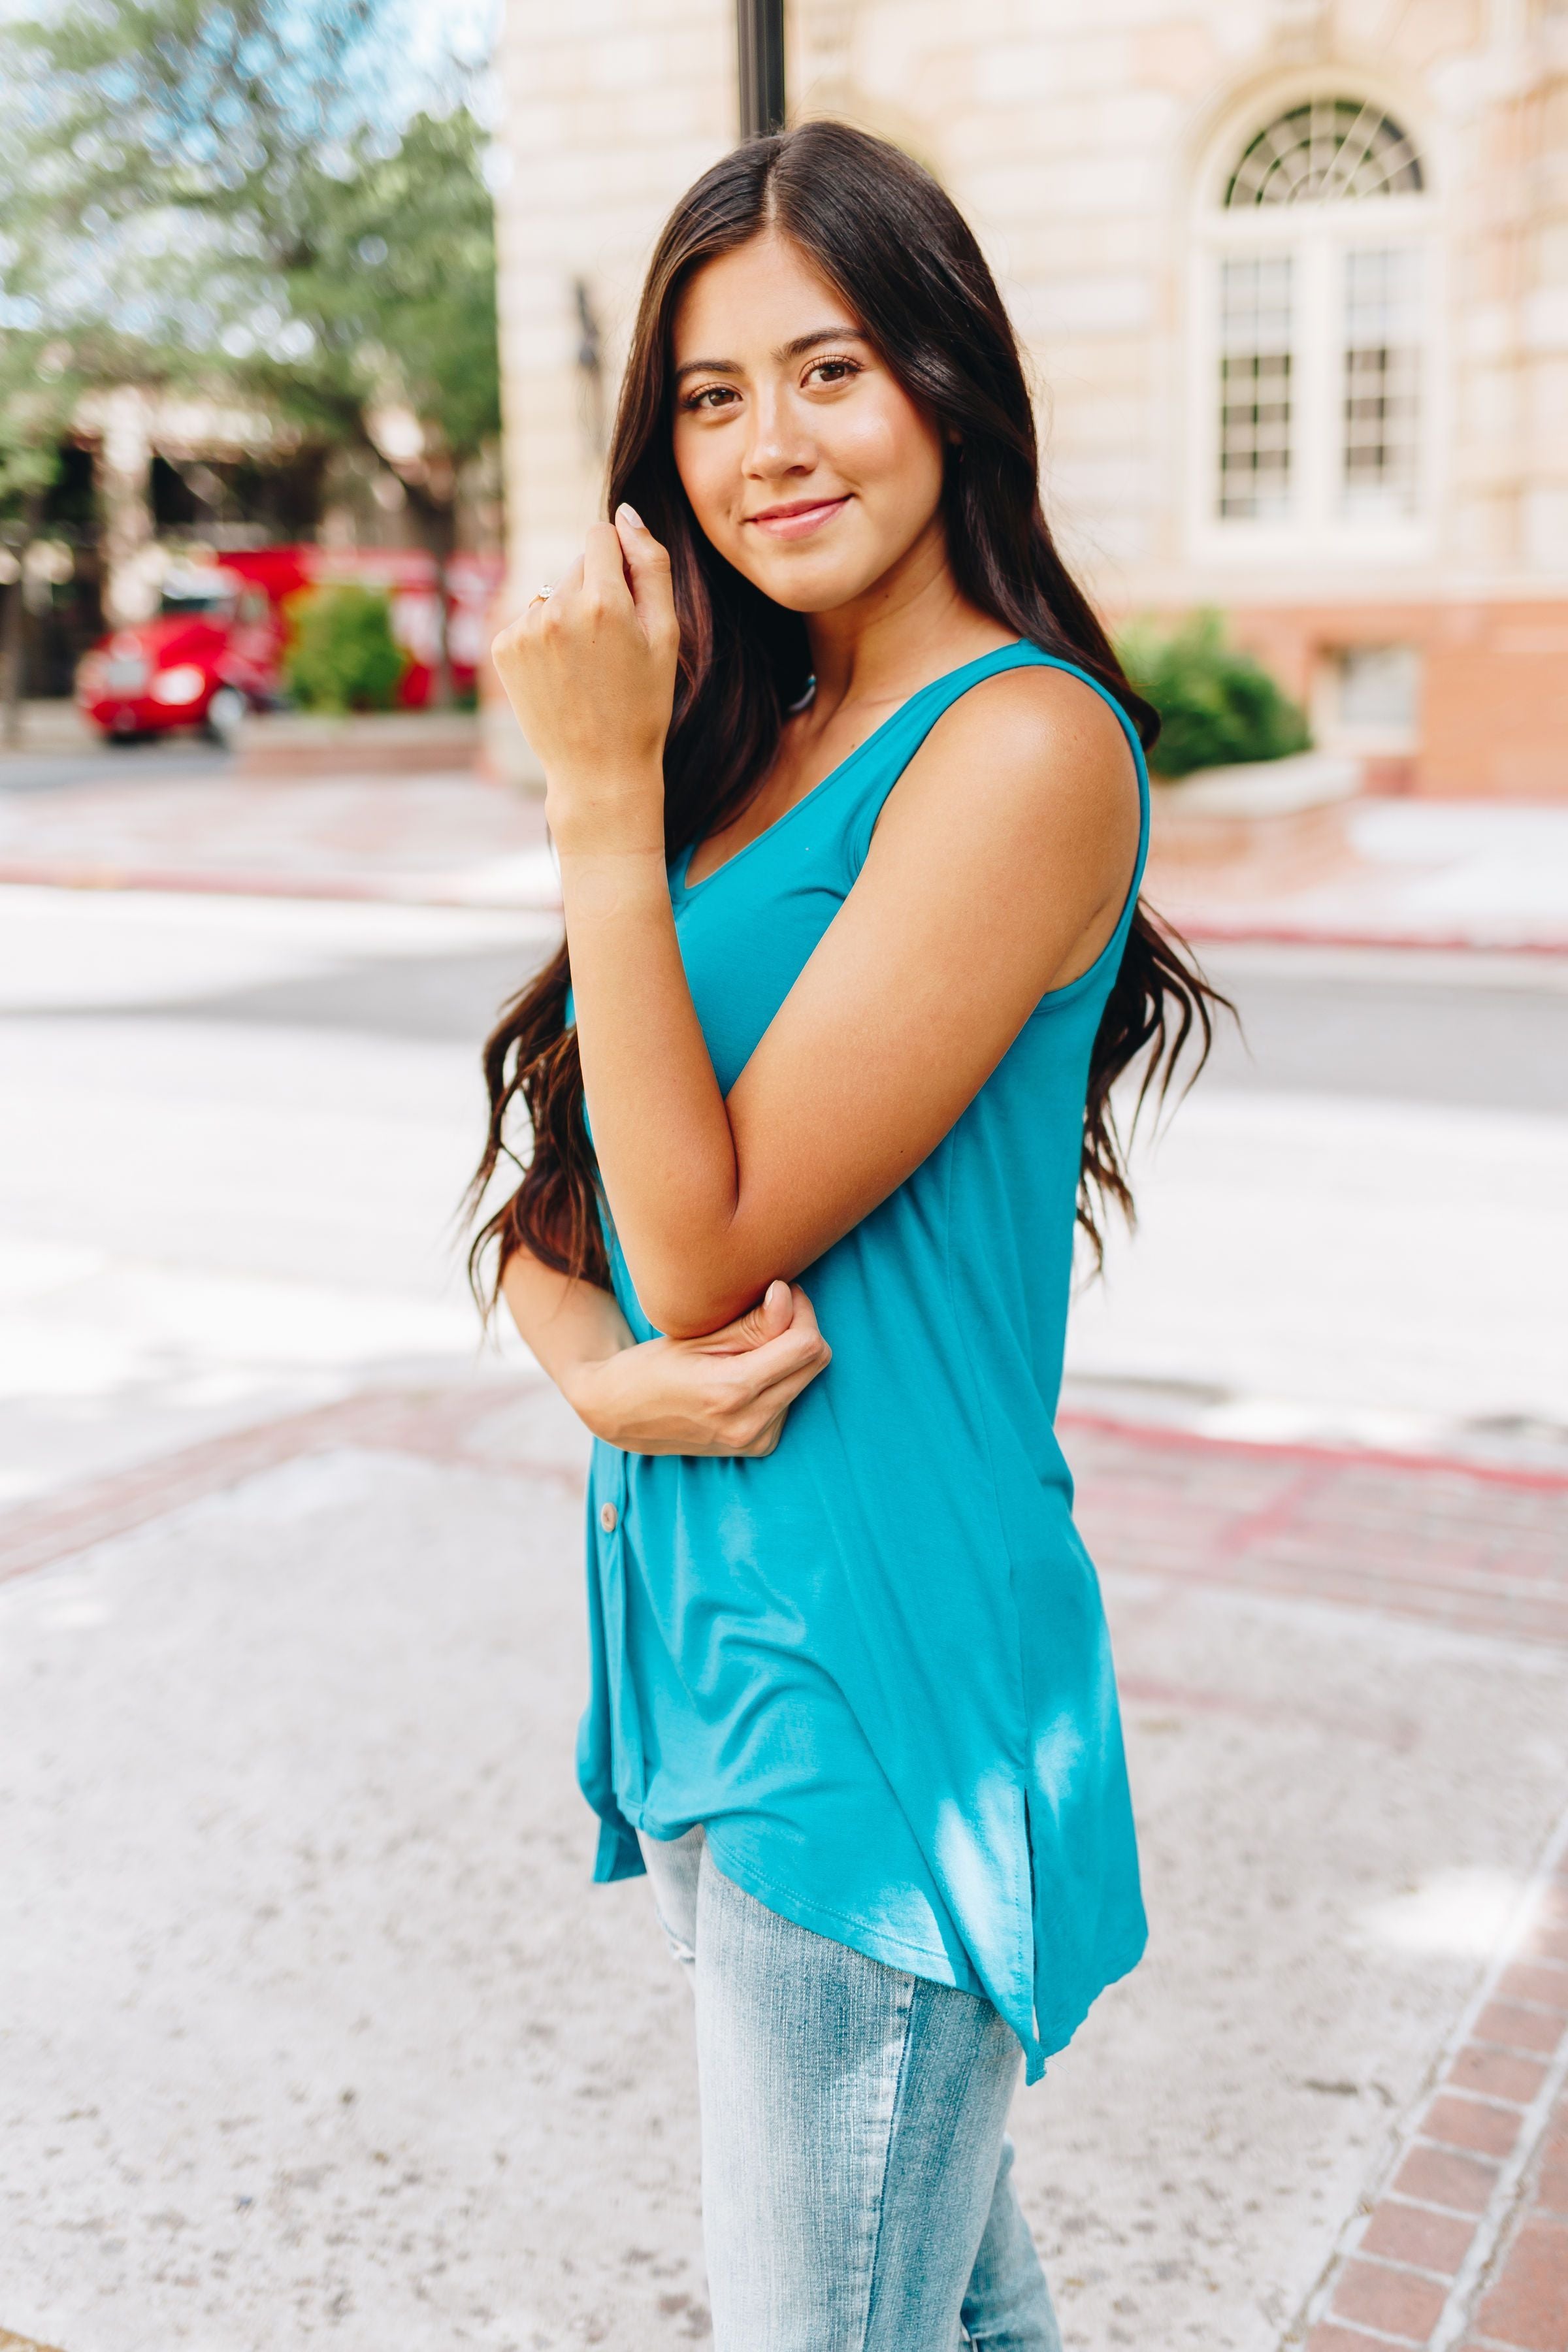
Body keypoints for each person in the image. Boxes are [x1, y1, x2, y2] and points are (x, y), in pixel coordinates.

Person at [469, 120, 1223, 2352]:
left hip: (871, 1690)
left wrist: (596, 799)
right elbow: (558, 1207)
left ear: (948, 381)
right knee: (951, 2312)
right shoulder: (765, 735)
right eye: (708, 396)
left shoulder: (1017, 751)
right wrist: (591, 1371)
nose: (766, 446)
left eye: (830, 370)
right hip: (714, 1661)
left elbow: (693, 1263)